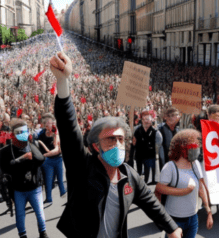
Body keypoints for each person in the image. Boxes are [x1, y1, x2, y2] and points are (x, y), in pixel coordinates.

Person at [50, 51, 182, 238]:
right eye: (110, 139)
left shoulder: (129, 175)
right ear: (96, 146)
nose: (118, 144)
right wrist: (63, 82)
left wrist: (172, 227)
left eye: (121, 139)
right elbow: (68, 126)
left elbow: (150, 203)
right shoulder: (82, 168)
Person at [156, 129, 213, 238]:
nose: (196, 150)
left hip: (193, 218)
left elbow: (201, 188)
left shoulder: (196, 164)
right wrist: (185, 191)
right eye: (193, 147)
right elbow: (159, 188)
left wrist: (208, 211)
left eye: (197, 146)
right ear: (181, 148)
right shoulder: (170, 167)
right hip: (174, 220)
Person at [0, 118, 48, 238]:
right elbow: (6, 167)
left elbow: (41, 159)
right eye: (19, 133)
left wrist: (29, 144)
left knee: (40, 214)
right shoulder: (6, 151)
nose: (22, 136)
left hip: (34, 187)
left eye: (24, 132)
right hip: (18, 189)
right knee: (20, 216)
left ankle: (43, 233)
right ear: (12, 135)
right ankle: (23, 235)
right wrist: (22, 158)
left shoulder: (32, 145)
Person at [34, 113, 66, 205]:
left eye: (52, 123)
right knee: (48, 180)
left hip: (57, 158)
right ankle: (48, 198)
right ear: (45, 124)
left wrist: (46, 154)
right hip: (48, 161)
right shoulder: (41, 135)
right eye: (49, 123)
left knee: (60, 178)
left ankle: (63, 192)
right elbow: (46, 149)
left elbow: (57, 150)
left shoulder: (56, 134)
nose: (51, 125)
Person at [133, 109, 162, 184]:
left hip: (150, 153)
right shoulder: (137, 130)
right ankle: (139, 182)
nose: (146, 121)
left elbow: (158, 142)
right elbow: (133, 141)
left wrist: (156, 150)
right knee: (139, 170)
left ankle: (150, 180)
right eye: (144, 119)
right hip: (139, 153)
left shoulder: (155, 131)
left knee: (149, 169)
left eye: (148, 119)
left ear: (151, 120)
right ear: (142, 120)